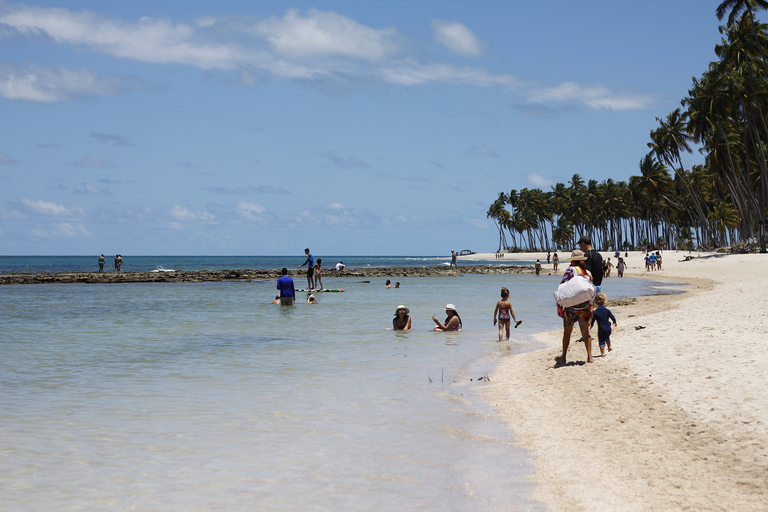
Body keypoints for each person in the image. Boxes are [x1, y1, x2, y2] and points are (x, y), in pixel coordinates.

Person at [555, 250, 594, 365]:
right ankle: (590, 357)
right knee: (585, 332)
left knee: (567, 333)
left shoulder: (570, 270)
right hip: (585, 307)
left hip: (571, 308)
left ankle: (563, 357)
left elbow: (562, 285)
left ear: (572, 260)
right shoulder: (587, 272)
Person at [591, 293, 617, 357]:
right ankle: (609, 346)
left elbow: (593, 319)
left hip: (601, 329)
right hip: (608, 328)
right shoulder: (607, 311)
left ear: (596, 303)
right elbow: (612, 316)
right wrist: (614, 321)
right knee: (607, 337)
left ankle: (603, 353)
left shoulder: (596, 312)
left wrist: (591, 325)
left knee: (601, 340)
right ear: (605, 301)